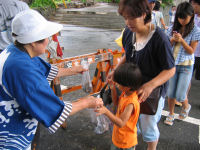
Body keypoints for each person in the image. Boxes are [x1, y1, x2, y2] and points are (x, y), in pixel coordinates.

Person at [0, 9, 103, 150]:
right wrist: (87, 102)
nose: (49, 41)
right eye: (46, 37)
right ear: (33, 42)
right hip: (10, 140)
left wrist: (75, 69)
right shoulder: (23, 71)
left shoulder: (16, 51)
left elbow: (46, 71)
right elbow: (54, 110)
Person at [107, 0, 175, 150]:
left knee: (148, 126)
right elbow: (127, 53)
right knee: (131, 121)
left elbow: (170, 70)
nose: (128, 22)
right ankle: (131, 144)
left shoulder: (159, 39)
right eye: (125, 17)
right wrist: (116, 70)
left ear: (144, 14)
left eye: (132, 17)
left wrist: (150, 85)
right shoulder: (128, 32)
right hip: (131, 88)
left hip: (151, 92)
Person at [164, 2, 200, 126]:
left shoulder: (196, 30)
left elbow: (191, 51)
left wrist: (182, 41)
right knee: (171, 92)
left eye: (184, 18)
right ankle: (171, 113)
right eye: (180, 17)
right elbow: (166, 46)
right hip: (172, 64)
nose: (181, 20)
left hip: (186, 65)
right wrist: (173, 39)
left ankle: (186, 106)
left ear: (191, 16)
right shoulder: (172, 27)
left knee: (180, 94)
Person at [96, 63, 142, 150]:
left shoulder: (131, 103)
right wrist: (112, 88)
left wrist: (106, 111)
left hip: (126, 142)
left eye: (118, 83)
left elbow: (121, 123)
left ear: (128, 86)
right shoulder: (125, 93)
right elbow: (116, 103)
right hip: (118, 137)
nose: (116, 84)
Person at [191, 0, 200, 80]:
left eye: (193, 4)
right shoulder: (191, 17)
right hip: (191, 52)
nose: (192, 6)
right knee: (187, 78)